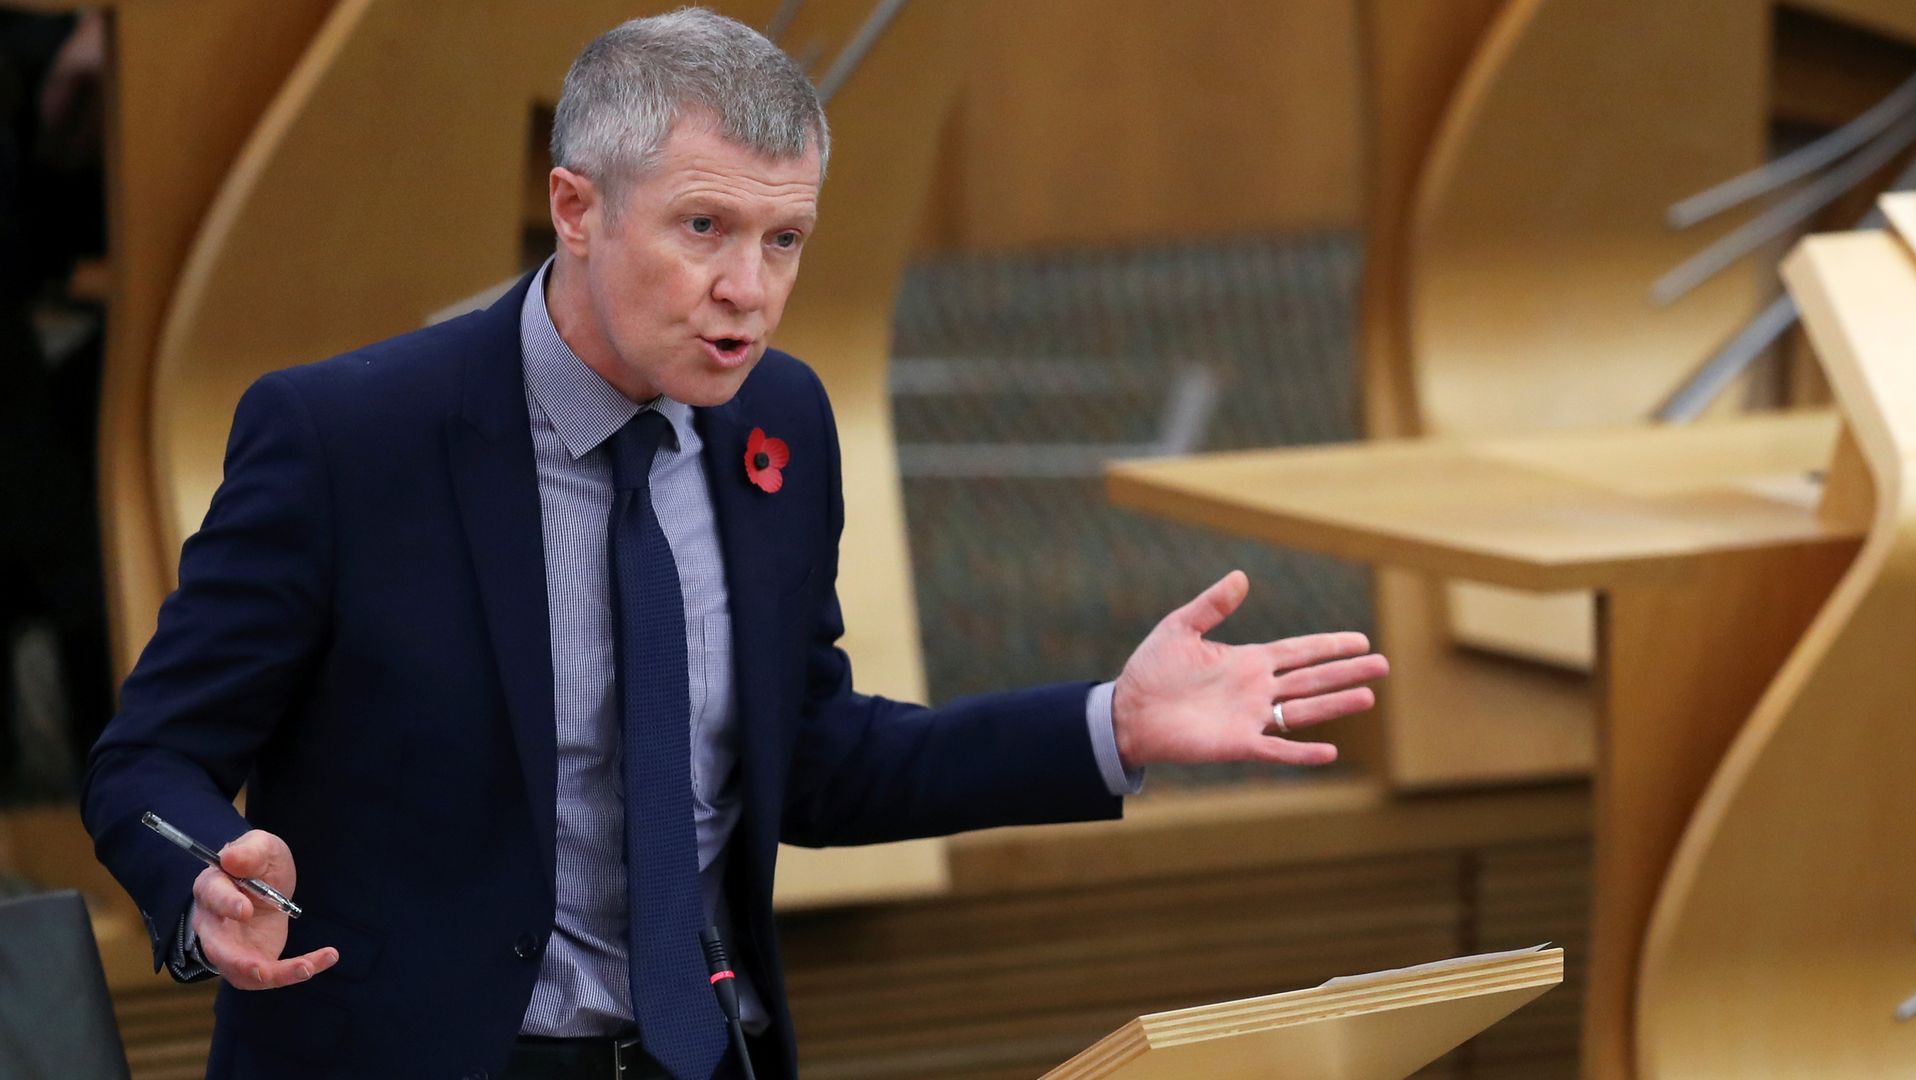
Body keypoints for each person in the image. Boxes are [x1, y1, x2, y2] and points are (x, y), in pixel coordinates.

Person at [81, 10, 1387, 1080]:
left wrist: (1111, 725)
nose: (748, 291)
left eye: (785, 240)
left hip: (701, 1057)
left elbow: (810, 761)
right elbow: (151, 756)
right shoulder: (344, 439)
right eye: (702, 229)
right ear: (575, 209)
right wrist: (206, 870)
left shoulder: (780, 423)